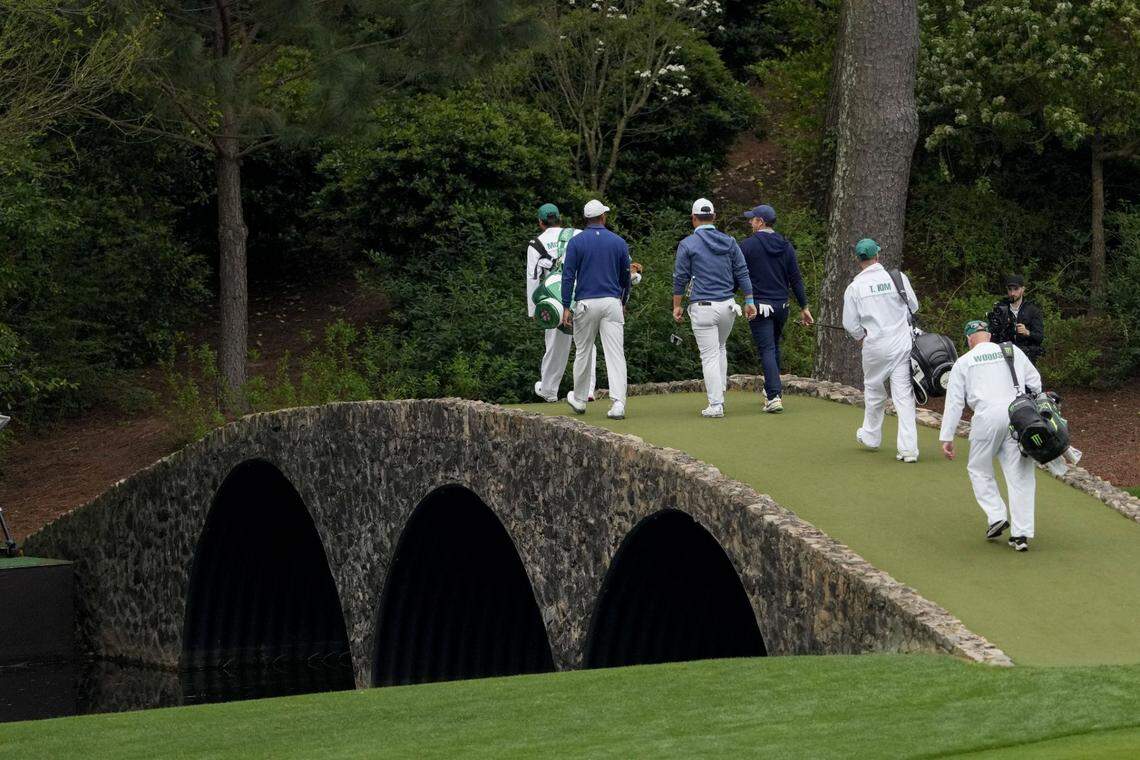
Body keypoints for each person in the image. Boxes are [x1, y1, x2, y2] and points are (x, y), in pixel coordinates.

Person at [940, 320, 1042, 552]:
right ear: (988, 335)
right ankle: (1021, 534)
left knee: (979, 467)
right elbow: (1035, 383)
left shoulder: (964, 362)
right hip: (1018, 415)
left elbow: (955, 402)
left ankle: (996, 515)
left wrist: (947, 436)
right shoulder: (1011, 350)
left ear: (968, 340)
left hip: (986, 417)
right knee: (1021, 474)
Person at [672, 198, 757, 418]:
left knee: (709, 355)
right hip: (728, 306)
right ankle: (719, 393)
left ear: (693, 219)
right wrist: (749, 301)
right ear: (714, 217)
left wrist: (677, 305)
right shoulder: (729, 241)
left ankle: (716, 404)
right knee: (720, 348)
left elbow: (680, 277)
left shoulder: (688, 244)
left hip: (703, 307)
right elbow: (742, 272)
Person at [841, 238, 920, 462]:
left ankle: (871, 436)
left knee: (874, 391)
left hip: (874, 346)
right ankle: (908, 450)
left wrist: (861, 337)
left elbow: (850, 323)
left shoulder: (855, 287)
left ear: (858, 260)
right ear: (878, 255)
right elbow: (913, 306)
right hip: (901, 343)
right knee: (903, 396)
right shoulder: (897, 277)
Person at [560, 199, 632, 420]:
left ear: (586, 219)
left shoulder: (576, 242)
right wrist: (624, 301)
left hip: (586, 303)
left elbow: (568, 275)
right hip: (611, 303)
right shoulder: (618, 242)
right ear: (603, 217)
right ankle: (618, 403)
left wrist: (565, 306)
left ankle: (580, 400)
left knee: (583, 351)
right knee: (615, 354)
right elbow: (625, 277)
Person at [739, 204, 813, 413]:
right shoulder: (786, 245)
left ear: (760, 222)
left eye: (752, 219)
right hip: (782, 306)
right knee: (774, 346)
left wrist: (734, 297)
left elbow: (738, 275)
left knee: (767, 349)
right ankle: (772, 388)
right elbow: (795, 279)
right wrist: (804, 306)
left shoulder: (747, 245)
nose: (750, 222)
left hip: (759, 306)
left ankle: (773, 396)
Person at [525, 203, 596, 402]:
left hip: (554, 298)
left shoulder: (536, 243)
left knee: (555, 344)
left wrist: (533, 311)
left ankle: (549, 390)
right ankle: (588, 389)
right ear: (559, 218)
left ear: (540, 222)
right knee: (586, 342)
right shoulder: (578, 233)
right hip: (582, 293)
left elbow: (532, 278)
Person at [987, 274, 1045, 365]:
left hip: (1026, 357)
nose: (1012, 293)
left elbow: (1040, 337)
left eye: (1016, 289)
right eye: (1010, 289)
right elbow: (991, 334)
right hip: (1003, 355)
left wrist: (1027, 332)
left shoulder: (1033, 310)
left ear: (1023, 289)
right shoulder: (1000, 308)